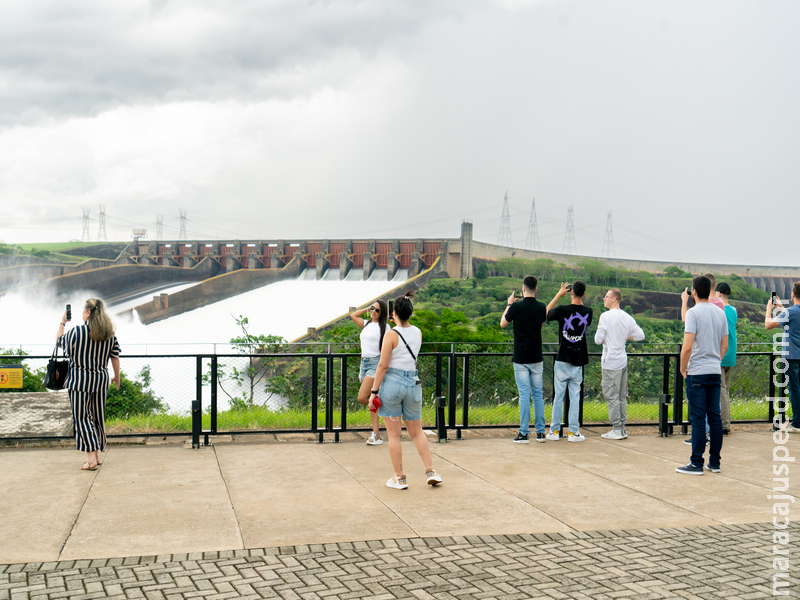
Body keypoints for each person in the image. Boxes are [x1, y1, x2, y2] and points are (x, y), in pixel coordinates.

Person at [369, 292, 442, 489]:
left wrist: (374, 392)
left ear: (393, 313)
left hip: (393, 384)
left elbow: (383, 365)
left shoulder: (391, 334)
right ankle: (430, 471)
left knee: (394, 435)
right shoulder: (418, 332)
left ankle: (400, 478)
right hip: (413, 383)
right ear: (411, 313)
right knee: (417, 432)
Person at [56, 298, 121, 471]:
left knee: (82, 418)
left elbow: (59, 341)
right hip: (100, 380)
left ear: (89, 313)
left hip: (79, 381)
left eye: (83, 311)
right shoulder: (109, 333)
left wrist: (63, 321)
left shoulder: (77, 331)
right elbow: (115, 356)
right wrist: (117, 377)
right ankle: (97, 455)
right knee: (97, 417)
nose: (82, 313)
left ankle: (91, 458)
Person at [676, 276, 728, 475]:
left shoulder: (693, 313)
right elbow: (725, 345)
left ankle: (696, 462)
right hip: (715, 370)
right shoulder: (720, 311)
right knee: (714, 417)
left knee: (698, 418)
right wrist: (715, 361)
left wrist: (683, 368)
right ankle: (714, 462)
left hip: (697, 371)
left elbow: (687, 346)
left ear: (694, 292)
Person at [501, 275, 547, 443]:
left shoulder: (516, 307)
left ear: (523, 288)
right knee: (537, 395)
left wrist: (509, 303)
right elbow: (541, 325)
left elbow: (502, 324)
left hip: (521, 358)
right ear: (536, 289)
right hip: (537, 357)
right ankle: (541, 433)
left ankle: (524, 433)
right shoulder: (542, 307)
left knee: (524, 395)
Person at [594, 288, 645, 440]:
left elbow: (597, 340)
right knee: (622, 396)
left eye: (607, 296)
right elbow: (640, 336)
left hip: (610, 362)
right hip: (622, 360)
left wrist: (608, 337)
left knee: (611, 395)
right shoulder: (627, 317)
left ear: (614, 299)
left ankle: (616, 428)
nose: (604, 299)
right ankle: (622, 427)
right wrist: (623, 336)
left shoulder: (605, 316)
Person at [545, 281, 593, 442]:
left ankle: (555, 431)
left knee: (558, 397)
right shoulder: (588, 312)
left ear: (571, 293)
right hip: (578, 360)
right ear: (584, 294)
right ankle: (573, 432)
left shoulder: (563, 310)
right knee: (575, 397)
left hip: (562, 359)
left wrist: (558, 295)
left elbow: (546, 313)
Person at [350, 300, 389, 445]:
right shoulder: (366, 324)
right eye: (372, 308)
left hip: (375, 364)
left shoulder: (386, 327)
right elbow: (353, 315)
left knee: (362, 398)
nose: (373, 311)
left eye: (377, 310)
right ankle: (376, 434)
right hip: (364, 364)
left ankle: (386, 409)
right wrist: (367, 308)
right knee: (372, 401)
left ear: (382, 313)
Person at [765, 281, 800, 433]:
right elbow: (791, 317)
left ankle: (797, 424)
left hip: (791, 356)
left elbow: (768, 325)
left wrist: (769, 309)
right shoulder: (791, 312)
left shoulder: (791, 312)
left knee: (795, 389)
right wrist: (780, 306)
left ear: (792, 294)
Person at [716, 282, 737, 435]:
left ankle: (724, 424)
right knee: (726, 390)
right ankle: (725, 422)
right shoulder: (733, 310)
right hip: (731, 353)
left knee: (721, 391)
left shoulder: (719, 309)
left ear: (718, 294)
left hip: (722, 353)